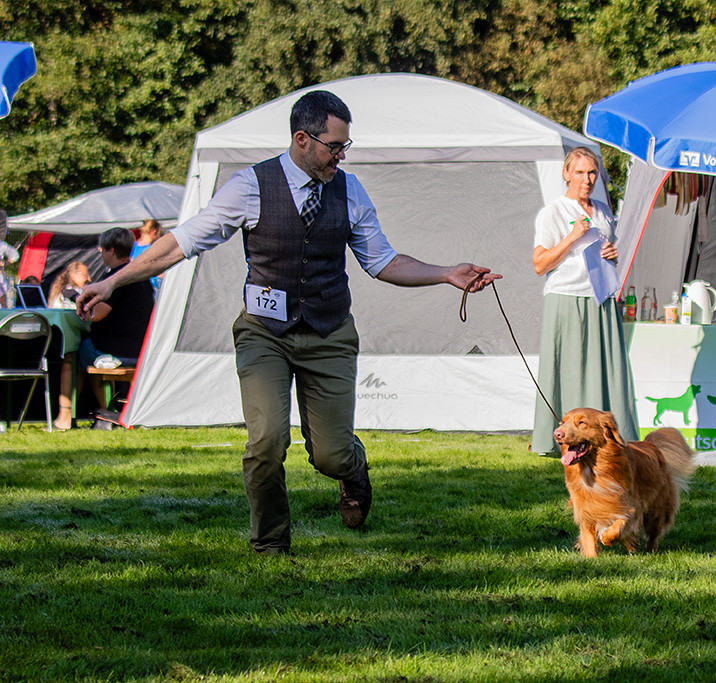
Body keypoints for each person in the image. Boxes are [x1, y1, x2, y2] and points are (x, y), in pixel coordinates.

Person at [76, 90, 500, 555]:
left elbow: (382, 262)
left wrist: (446, 274)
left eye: (345, 146)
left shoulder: (349, 189)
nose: (341, 156)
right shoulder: (249, 186)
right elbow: (180, 243)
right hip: (264, 334)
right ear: (302, 139)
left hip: (329, 331)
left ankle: (353, 471)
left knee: (330, 454)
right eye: (334, 146)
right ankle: (271, 544)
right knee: (266, 443)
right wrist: (112, 282)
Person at [530, 147, 639, 455]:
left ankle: (609, 438)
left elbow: (603, 254)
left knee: (606, 370)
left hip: (601, 298)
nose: (587, 179)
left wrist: (613, 254)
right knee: (569, 369)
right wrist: (572, 236)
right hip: (566, 298)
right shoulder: (553, 212)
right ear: (566, 174)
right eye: (580, 172)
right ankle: (558, 439)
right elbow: (540, 264)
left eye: (592, 173)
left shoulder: (604, 211)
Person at [54, 229, 154, 430]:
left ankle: (66, 417)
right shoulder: (142, 278)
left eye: (102, 250)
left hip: (118, 352)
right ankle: (105, 412)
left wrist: (76, 297)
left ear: (111, 250)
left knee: (73, 352)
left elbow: (96, 314)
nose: (100, 253)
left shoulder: (117, 279)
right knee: (87, 349)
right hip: (142, 350)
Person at [131, 219, 164, 294]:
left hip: (136, 286)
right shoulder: (154, 248)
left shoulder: (134, 246)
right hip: (152, 287)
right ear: (154, 231)